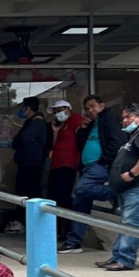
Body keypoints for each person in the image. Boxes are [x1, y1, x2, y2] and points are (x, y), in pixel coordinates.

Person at [101, 101, 139, 273]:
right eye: (123, 118)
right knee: (125, 224)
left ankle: (125, 260)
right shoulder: (136, 135)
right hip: (130, 190)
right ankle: (117, 257)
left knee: (131, 225)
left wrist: (132, 174)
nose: (125, 121)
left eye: (129, 116)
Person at [61, 95, 123, 253]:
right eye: (87, 108)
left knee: (80, 189)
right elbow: (81, 143)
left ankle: (116, 192)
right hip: (87, 167)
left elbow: (117, 141)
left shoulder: (108, 118)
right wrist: (83, 128)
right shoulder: (91, 122)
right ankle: (74, 242)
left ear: (101, 105)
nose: (90, 110)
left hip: (101, 165)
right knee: (80, 204)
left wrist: (104, 160)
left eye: (93, 106)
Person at [46, 99, 82, 237]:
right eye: (55, 112)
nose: (57, 113)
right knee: (54, 198)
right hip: (56, 164)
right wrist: (55, 132)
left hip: (68, 165)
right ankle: (57, 230)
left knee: (63, 198)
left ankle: (66, 230)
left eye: (59, 110)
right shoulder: (62, 126)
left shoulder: (75, 119)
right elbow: (55, 146)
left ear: (68, 108)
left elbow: (82, 133)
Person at [11, 96, 51, 201]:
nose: (21, 110)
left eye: (23, 107)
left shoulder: (37, 123)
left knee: (28, 195)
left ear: (27, 108)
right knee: (22, 195)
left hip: (32, 165)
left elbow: (22, 139)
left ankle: (25, 217)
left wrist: (17, 139)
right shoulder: (30, 123)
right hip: (26, 163)